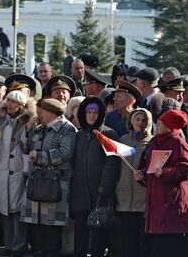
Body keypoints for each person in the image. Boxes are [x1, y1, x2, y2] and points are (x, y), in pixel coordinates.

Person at [134, 109, 188, 257]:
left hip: (172, 208)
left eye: (160, 122)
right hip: (155, 208)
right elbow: (151, 169)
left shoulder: (178, 143)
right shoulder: (154, 142)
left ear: (169, 126)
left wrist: (166, 173)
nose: (157, 124)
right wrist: (142, 175)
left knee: (169, 248)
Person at [21, 98, 77, 257]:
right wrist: (28, 129)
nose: (39, 114)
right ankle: (39, 249)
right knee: (38, 219)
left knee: (52, 221)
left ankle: (51, 251)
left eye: (42, 111)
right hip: (38, 180)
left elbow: (65, 153)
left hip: (56, 182)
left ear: (51, 112)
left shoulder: (67, 129)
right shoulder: (40, 128)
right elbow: (24, 148)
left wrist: (40, 157)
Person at [0, 89, 35, 257]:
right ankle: (8, 244)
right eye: (9, 101)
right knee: (4, 207)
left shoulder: (28, 122)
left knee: (18, 208)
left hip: (19, 169)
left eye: (15, 102)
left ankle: (19, 245)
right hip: (1, 169)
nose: (11, 104)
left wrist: (27, 170)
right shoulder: (0, 120)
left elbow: (30, 147)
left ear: (22, 105)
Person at [70, 98, 120, 257]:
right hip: (80, 192)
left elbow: (112, 163)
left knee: (99, 232)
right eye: (89, 112)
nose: (92, 115)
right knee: (80, 231)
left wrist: (104, 188)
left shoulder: (108, 133)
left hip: (99, 192)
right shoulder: (79, 135)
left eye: (95, 112)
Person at [114, 108, 152, 257]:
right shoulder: (123, 140)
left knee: (142, 242)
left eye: (144, 120)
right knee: (127, 242)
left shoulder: (152, 141)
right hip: (124, 197)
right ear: (131, 121)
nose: (140, 123)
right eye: (137, 119)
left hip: (143, 198)